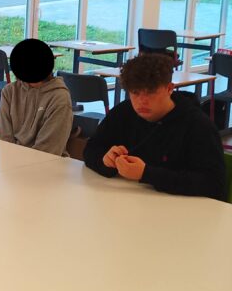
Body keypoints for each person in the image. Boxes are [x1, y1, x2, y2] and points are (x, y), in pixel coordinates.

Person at [83, 52, 226, 200]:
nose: (142, 101)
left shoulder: (197, 125)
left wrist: (146, 173)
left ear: (169, 88)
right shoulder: (123, 112)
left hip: (181, 208)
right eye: (135, 92)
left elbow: (214, 184)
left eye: (151, 92)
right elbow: (90, 149)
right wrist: (105, 160)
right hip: (132, 201)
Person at [0, 39, 73, 156]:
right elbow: (2, 138)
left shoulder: (59, 98)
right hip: (11, 160)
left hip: (46, 163)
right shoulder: (10, 91)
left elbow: (47, 151)